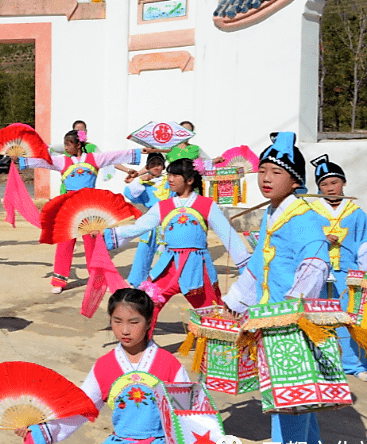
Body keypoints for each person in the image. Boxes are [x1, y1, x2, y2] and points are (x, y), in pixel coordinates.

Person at [223, 132, 330, 444]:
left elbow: (315, 266)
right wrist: (236, 301)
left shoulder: (305, 220)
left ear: (296, 180)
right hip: (270, 318)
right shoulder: (272, 213)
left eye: (275, 172)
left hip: (291, 324)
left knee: (286, 409)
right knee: (293, 398)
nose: (265, 178)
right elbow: (257, 264)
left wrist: (290, 312)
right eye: (262, 171)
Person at [17, 288, 190, 444]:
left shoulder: (169, 364)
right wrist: (41, 430)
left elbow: (188, 413)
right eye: (117, 321)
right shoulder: (104, 366)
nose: (125, 330)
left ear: (150, 321)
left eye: (133, 322)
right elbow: (81, 407)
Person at [105, 158, 250, 334]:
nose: (170, 179)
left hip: (198, 269)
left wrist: (247, 268)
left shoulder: (207, 205)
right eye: (169, 175)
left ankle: (217, 353)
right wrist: (105, 236)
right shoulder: (162, 206)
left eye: (175, 175)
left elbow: (229, 236)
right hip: (168, 266)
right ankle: (141, 349)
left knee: (211, 313)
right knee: (148, 305)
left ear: (189, 180)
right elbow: (138, 227)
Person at [26, 130, 144, 293]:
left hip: (89, 207)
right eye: (65, 143)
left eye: (69, 144)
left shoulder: (94, 159)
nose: (66, 147)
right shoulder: (62, 161)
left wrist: (139, 152)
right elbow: (43, 161)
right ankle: (59, 281)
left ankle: (96, 278)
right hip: (70, 206)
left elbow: (113, 156)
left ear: (78, 144)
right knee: (65, 242)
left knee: (93, 242)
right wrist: (21, 160)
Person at [308, 154, 367, 382]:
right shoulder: (309, 211)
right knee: (318, 318)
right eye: (324, 184)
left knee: (350, 318)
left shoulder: (356, 213)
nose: (330, 188)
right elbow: (302, 239)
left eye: (334, 182)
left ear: (343, 183)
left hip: (347, 273)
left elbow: (365, 242)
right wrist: (320, 239)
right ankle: (322, 365)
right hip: (318, 272)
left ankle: (355, 365)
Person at [122, 153, 169, 287]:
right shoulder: (144, 183)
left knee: (168, 252)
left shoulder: (168, 180)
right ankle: (136, 281)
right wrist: (139, 180)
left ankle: (166, 281)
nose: (155, 167)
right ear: (147, 166)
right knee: (144, 250)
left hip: (168, 222)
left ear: (163, 166)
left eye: (159, 164)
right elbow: (130, 193)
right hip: (150, 221)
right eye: (152, 164)